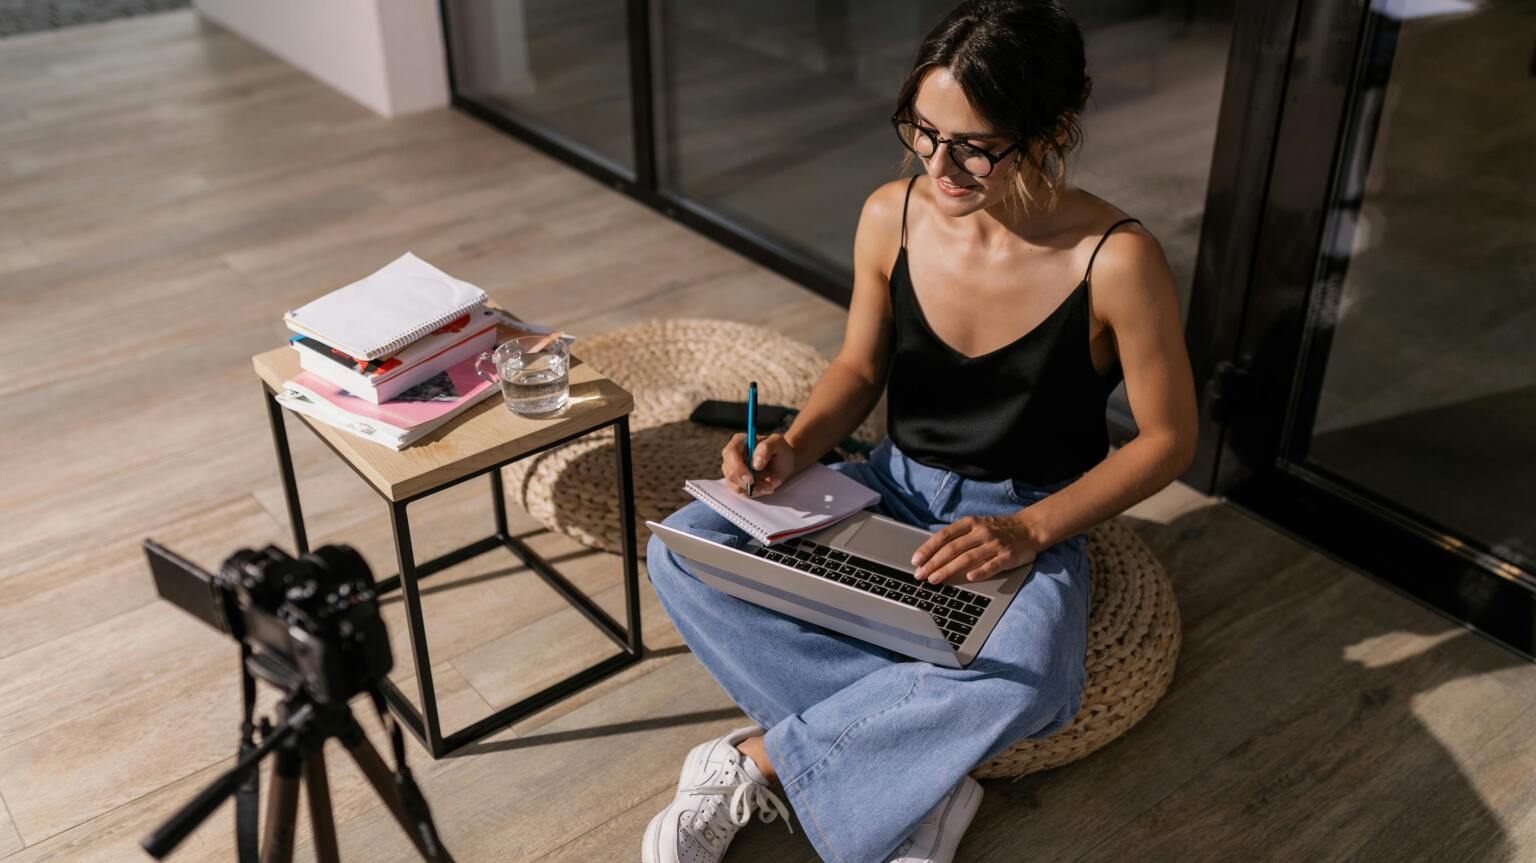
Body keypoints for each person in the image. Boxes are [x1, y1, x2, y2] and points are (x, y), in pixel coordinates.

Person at [641, 1, 1198, 861]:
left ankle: (758, 760)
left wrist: (1030, 529)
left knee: (1037, 672)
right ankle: (916, 778)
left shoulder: (1117, 260)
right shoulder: (888, 216)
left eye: (975, 144)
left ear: (1051, 129)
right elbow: (860, 370)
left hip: (1023, 521)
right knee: (682, 549)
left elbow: (1168, 438)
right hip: (890, 482)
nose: (941, 165)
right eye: (923, 131)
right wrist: (797, 447)